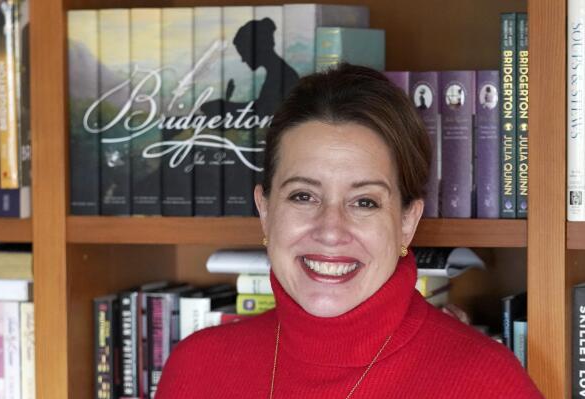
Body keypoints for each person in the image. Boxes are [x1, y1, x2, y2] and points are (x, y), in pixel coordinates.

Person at [156, 64, 543, 398]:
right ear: (265, 210)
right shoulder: (196, 370)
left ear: (407, 223)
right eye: (304, 196)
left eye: (364, 202)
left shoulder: (488, 384)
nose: (330, 230)